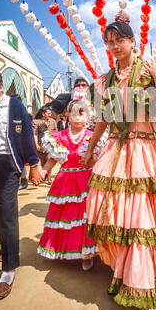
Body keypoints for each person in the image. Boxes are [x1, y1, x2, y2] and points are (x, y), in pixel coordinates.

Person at [82, 21, 156, 309]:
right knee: (118, 214)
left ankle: (149, 275)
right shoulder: (104, 80)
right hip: (117, 150)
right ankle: (125, 270)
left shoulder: (151, 71)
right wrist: (89, 149)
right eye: (108, 42)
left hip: (147, 150)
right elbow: (104, 119)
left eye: (118, 40)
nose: (113, 47)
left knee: (145, 216)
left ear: (133, 41)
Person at [0, 65, 42, 300]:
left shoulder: (15, 106)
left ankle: (8, 269)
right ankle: (5, 246)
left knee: (6, 214)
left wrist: (34, 165)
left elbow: (26, 136)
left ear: (0, 87)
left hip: (8, 167)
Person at [36, 99, 98, 270]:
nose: (77, 118)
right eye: (73, 113)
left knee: (85, 218)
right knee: (65, 219)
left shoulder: (93, 137)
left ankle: (87, 253)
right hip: (65, 182)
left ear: (88, 115)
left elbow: (97, 161)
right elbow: (53, 159)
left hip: (86, 182)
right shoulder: (60, 136)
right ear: (67, 115)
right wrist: (43, 172)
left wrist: (92, 160)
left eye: (81, 113)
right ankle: (65, 248)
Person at [32, 105, 57, 184]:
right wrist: (36, 144)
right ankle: (45, 175)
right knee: (43, 161)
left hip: (51, 144)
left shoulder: (53, 121)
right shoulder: (36, 122)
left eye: (50, 113)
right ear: (43, 114)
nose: (50, 115)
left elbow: (56, 132)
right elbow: (35, 134)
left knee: (49, 159)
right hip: (41, 144)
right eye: (48, 113)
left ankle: (49, 177)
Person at [10, 93, 29, 190]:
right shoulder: (9, 112)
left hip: (21, 142)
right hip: (11, 142)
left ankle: (24, 180)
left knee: (20, 161)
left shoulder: (23, 112)